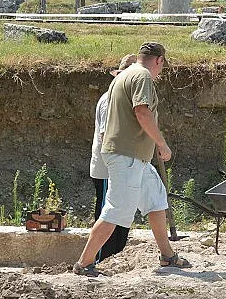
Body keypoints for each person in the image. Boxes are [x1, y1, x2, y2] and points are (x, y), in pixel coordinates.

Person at [73, 42, 190, 274]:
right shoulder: (142, 76)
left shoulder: (122, 77)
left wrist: (151, 142)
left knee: (156, 198)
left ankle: (167, 255)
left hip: (134, 155)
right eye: (162, 66)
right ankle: (84, 263)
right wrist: (161, 143)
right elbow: (142, 111)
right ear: (159, 60)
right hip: (126, 155)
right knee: (116, 210)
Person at [89, 54, 136, 262]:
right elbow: (106, 136)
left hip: (121, 168)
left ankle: (113, 260)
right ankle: (98, 261)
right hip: (108, 169)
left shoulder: (122, 99)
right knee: (107, 215)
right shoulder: (110, 100)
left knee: (120, 218)